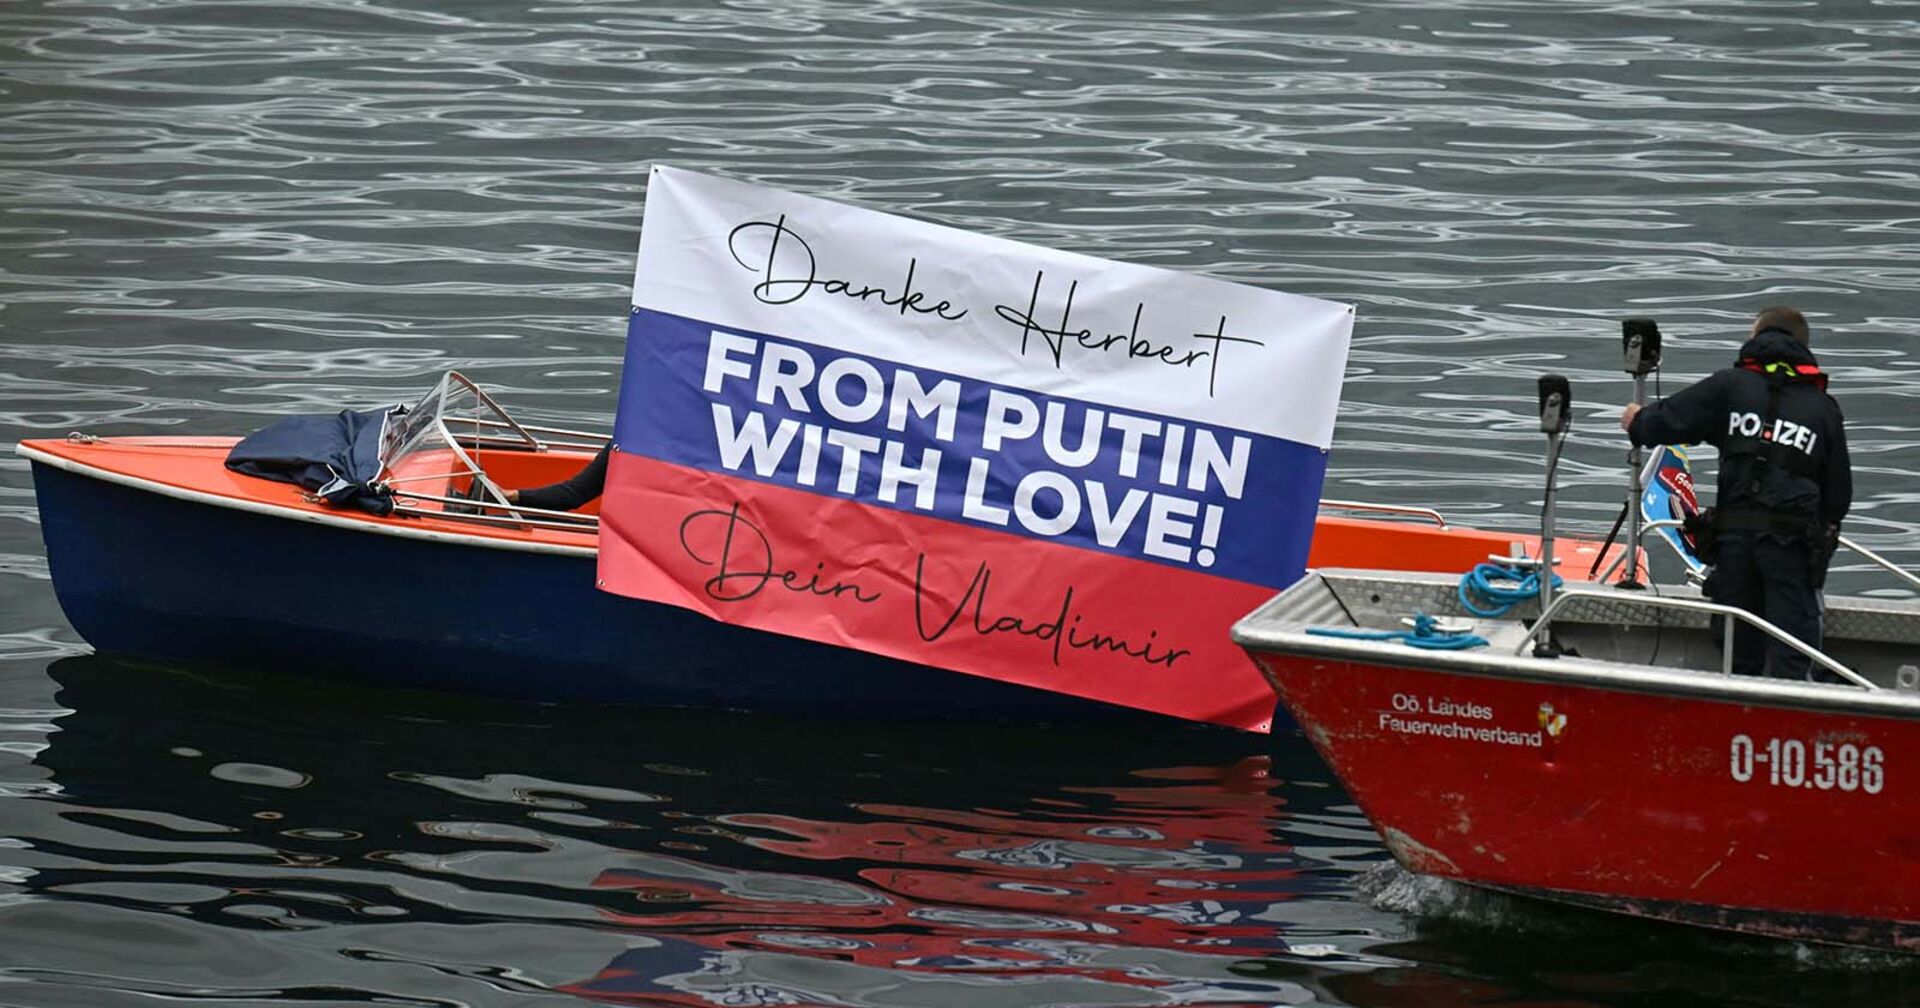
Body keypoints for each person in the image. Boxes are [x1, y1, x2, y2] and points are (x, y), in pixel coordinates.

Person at [1619, 306, 1851, 680]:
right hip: (1791, 550)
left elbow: (1666, 420)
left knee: (1736, 648)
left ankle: (1737, 715)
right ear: (1803, 346)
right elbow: (1839, 497)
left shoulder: (1729, 387)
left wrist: (1636, 420)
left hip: (1736, 548)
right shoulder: (1823, 410)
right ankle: (1786, 727)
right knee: (1795, 649)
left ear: (1756, 338)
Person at [502, 444, 609, 510]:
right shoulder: (618, 446)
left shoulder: (619, 445)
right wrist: (512, 495)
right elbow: (574, 494)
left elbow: (574, 495)